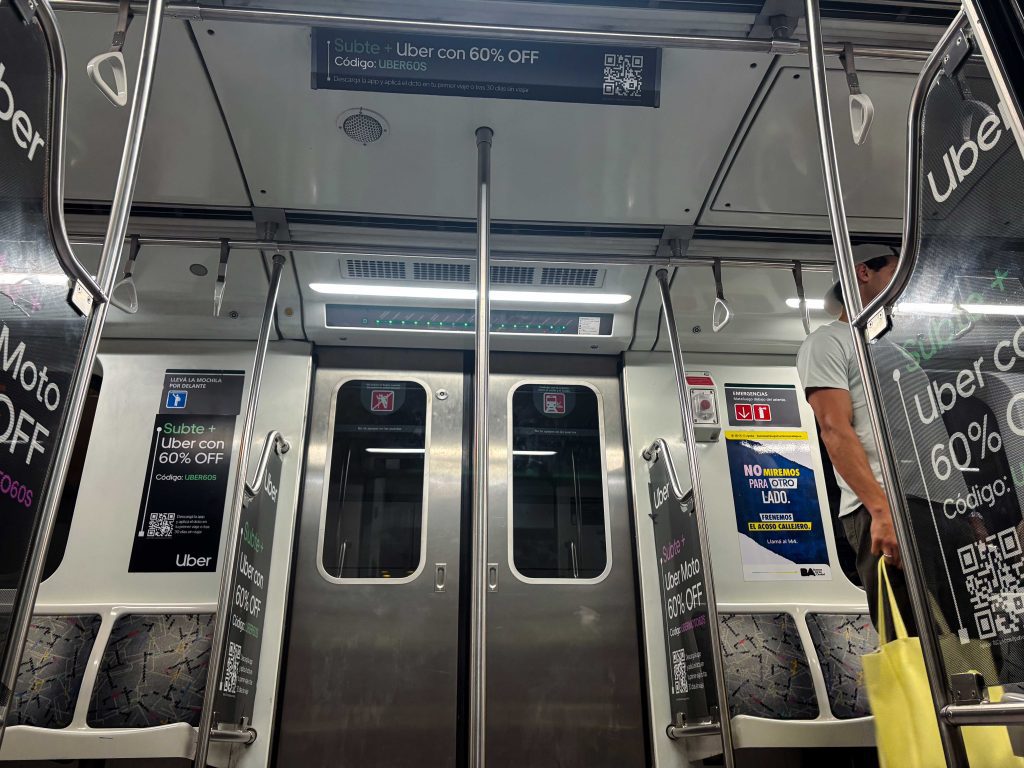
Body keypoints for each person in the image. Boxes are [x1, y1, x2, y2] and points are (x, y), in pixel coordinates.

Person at [796, 244, 916, 635]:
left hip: (927, 506)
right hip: (881, 505)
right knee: (912, 639)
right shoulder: (829, 342)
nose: (901, 284)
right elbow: (834, 430)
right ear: (864, 272)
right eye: (894, 273)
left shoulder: (895, 350)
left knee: (964, 642)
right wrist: (881, 511)